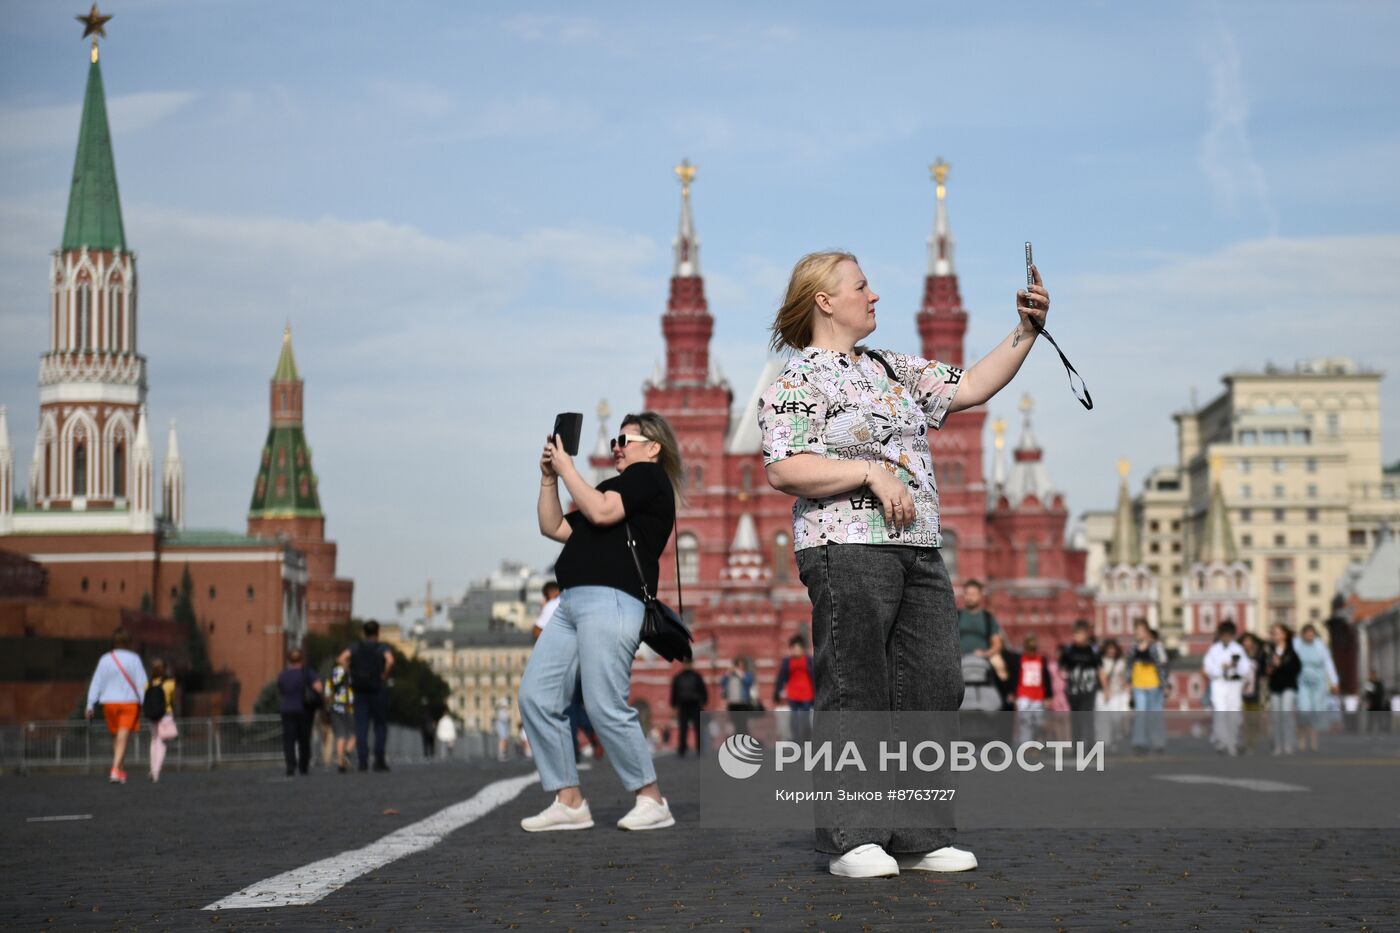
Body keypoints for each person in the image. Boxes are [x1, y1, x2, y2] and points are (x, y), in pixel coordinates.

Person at [759, 249, 1051, 878]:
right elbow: (784, 466)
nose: (876, 296)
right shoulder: (796, 381)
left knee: (932, 683)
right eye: (861, 286)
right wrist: (868, 469)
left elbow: (970, 386)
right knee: (857, 687)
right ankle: (852, 837)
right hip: (845, 545)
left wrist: (1026, 332)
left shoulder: (892, 366)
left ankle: (918, 833)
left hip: (918, 546)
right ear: (825, 301)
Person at [519, 411, 684, 833]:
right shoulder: (614, 486)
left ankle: (651, 798)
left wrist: (569, 468)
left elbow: (605, 512)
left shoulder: (649, 479)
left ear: (653, 447)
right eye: (614, 440)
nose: (616, 447)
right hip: (571, 602)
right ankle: (569, 800)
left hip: (612, 599)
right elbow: (553, 526)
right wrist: (548, 478)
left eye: (624, 440)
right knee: (536, 696)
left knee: (603, 702)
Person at [85, 627, 147, 784]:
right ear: (128, 641)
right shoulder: (134, 659)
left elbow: (96, 683)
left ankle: (120, 771)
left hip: (109, 703)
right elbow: (142, 683)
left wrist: (90, 704)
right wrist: (145, 701)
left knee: (117, 737)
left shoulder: (105, 659)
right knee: (123, 736)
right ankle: (115, 769)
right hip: (129, 702)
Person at [338, 620, 394, 772]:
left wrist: (350, 672)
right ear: (377, 632)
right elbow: (390, 661)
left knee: (361, 726)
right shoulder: (381, 647)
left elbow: (341, 659)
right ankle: (379, 759)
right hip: (377, 689)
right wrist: (384, 675)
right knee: (380, 725)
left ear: (364, 632)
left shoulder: (355, 647)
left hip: (360, 690)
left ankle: (363, 760)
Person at [1202, 621, 1252, 756]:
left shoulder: (1238, 649)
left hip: (1233, 684)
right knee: (1220, 712)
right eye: (1224, 635)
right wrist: (1221, 668)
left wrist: (1235, 668)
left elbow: (1246, 667)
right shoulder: (1214, 649)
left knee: (1234, 713)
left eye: (1229, 635)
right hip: (1219, 683)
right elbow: (1208, 668)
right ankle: (1221, 741)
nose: (1226, 638)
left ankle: (1233, 740)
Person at [1293, 623, 1339, 751]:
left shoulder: (1320, 646)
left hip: (1318, 682)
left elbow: (1328, 663)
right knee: (1303, 710)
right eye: (1307, 633)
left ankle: (1313, 741)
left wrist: (1334, 681)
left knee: (1315, 712)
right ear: (1303, 634)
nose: (1310, 636)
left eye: (1312, 634)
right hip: (1302, 681)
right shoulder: (1296, 644)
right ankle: (1301, 738)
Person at [277, 649, 322, 776]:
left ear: (289, 660)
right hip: (304, 709)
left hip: (287, 709)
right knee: (304, 739)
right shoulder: (307, 673)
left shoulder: (283, 675)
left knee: (289, 740)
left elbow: (281, 690)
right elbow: (318, 687)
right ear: (302, 659)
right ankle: (303, 766)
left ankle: (290, 765)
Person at [1128, 621, 1168, 754]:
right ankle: (1140, 742)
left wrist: (1164, 685)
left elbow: (1161, 667)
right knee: (1141, 714)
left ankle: (1158, 742)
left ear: (1147, 633)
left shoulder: (1154, 648)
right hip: (1138, 685)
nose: (1138, 633)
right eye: (1137, 630)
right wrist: (1128, 682)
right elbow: (1129, 666)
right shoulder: (1133, 648)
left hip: (1153, 684)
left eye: (1141, 630)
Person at [1059, 621, 1100, 745]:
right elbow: (1062, 667)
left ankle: (1090, 745)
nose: (1078, 637)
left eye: (1081, 634)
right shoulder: (1068, 650)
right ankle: (1077, 746)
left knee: (1087, 717)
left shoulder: (1093, 651)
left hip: (1088, 689)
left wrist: (1105, 686)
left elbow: (1100, 668)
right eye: (1076, 634)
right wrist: (1063, 673)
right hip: (1073, 690)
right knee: (1075, 718)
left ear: (1087, 635)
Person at [1265, 623, 1301, 755]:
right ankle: (1278, 745)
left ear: (1285, 635)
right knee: (1276, 717)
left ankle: (1288, 744)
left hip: (1288, 686)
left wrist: (1281, 664)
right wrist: (1269, 668)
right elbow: (1265, 669)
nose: (1275, 636)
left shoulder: (1291, 651)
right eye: (1273, 633)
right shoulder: (1269, 651)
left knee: (1286, 714)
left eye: (1278, 633)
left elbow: (1296, 668)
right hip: (1275, 687)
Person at [774, 636, 816, 744]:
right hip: (793, 694)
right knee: (794, 719)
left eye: (798, 648)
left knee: (805, 720)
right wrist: (777, 692)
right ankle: (797, 742)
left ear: (802, 649)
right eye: (793, 648)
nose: (795, 650)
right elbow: (781, 677)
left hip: (807, 693)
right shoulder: (787, 661)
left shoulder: (809, 660)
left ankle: (807, 740)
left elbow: (814, 677)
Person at [1014, 635, 1053, 745]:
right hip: (1024, 694)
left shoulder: (1041, 660)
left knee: (1038, 722)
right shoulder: (1020, 659)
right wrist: (1014, 694)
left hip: (1038, 695)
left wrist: (1048, 696)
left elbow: (1047, 678)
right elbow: (1016, 677)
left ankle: (1037, 743)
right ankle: (1026, 745)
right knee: (1025, 721)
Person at [144, 658, 178, 783]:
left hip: (152, 716)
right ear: (165, 669)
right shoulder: (170, 684)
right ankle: (156, 772)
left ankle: (152, 769)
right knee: (162, 743)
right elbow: (171, 700)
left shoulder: (147, 684)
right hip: (165, 715)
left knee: (154, 741)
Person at [669, 659, 709, 758]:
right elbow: (703, 690)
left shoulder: (679, 677)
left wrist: (673, 705)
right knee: (688, 728)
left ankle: (685, 749)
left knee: (689, 728)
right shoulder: (696, 676)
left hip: (689, 705)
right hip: (689, 705)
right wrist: (704, 701)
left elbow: (674, 693)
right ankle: (688, 749)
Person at [1095, 639, 1130, 749]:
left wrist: (1127, 688)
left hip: (1117, 693)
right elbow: (1102, 676)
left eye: (1113, 648)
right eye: (1109, 648)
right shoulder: (1101, 661)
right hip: (1103, 694)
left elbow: (1122, 677)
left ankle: (1116, 738)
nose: (1111, 651)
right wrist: (1106, 690)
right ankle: (1104, 741)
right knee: (1103, 719)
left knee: (1116, 718)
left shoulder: (1120, 662)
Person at [957, 580, 1002, 658]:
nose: (969, 597)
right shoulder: (957, 615)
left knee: (1000, 666)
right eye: (967, 594)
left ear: (980, 595)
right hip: (958, 657)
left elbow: (997, 644)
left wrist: (985, 654)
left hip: (985, 656)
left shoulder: (988, 617)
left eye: (973, 594)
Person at [327, 658, 356, 772]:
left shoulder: (332, 673)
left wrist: (328, 705)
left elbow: (327, 692)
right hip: (349, 706)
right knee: (356, 732)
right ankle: (347, 753)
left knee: (340, 735)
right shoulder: (351, 673)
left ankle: (340, 764)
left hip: (335, 706)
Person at [721, 657, 759, 734]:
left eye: (742, 666)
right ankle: (737, 742)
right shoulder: (731, 676)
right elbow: (722, 682)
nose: (740, 667)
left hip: (743, 703)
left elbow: (748, 682)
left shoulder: (747, 675)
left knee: (743, 724)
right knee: (735, 724)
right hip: (732, 703)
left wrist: (740, 673)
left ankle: (744, 741)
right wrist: (727, 673)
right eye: (738, 666)